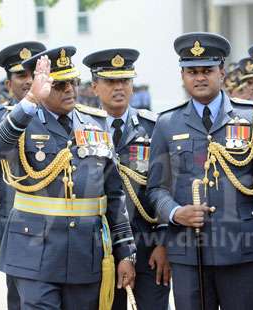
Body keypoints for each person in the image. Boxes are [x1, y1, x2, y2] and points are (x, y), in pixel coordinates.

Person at [0, 47, 136, 309]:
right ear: (40, 85)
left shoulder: (96, 124)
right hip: (34, 252)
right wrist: (31, 100)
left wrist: (125, 252)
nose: (69, 90)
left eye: (73, 82)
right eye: (59, 84)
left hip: (84, 252)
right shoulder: (22, 119)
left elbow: (113, 195)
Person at [146, 32, 253, 310]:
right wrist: (175, 213)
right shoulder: (167, 123)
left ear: (221, 72)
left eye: (207, 70)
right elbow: (156, 189)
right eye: (192, 71)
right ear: (182, 76)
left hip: (241, 250)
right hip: (188, 251)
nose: (199, 78)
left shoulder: (252, 117)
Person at [82, 48, 171, 309]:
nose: (118, 88)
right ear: (95, 87)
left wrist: (164, 242)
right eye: (110, 81)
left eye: (124, 81)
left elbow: (167, 187)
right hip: (101, 246)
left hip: (149, 244)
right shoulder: (82, 129)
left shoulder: (154, 127)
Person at [0, 41, 45, 310]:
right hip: (15, 219)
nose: (28, 81)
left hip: (60, 219)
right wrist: (4, 201)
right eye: (20, 75)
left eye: (32, 74)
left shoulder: (60, 115)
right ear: (8, 84)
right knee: (20, 291)